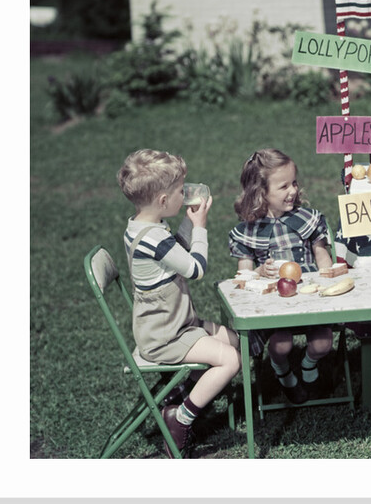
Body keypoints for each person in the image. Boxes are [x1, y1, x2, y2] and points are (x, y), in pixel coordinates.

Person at [117, 149, 241, 458]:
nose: (184, 196)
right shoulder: (154, 238)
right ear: (162, 200)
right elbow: (195, 267)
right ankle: (180, 419)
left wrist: (187, 225)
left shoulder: (144, 227)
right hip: (164, 336)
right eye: (179, 192)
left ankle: (180, 392)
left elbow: (177, 251)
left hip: (175, 323)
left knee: (236, 340)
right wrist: (200, 225)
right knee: (231, 360)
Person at [228, 148, 335, 404]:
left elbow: (322, 255)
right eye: (284, 186)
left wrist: (326, 277)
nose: (293, 191)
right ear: (260, 193)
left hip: (311, 297)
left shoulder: (307, 220)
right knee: (280, 346)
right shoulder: (249, 230)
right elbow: (243, 275)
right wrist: (259, 272)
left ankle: (309, 366)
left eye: (294, 183)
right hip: (276, 304)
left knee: (322, 343)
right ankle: (282, 371)